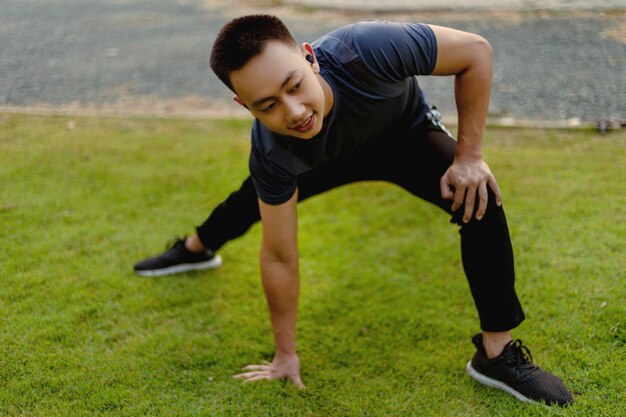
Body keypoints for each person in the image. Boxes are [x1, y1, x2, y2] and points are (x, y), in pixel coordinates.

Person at [134, 15, 573, 406]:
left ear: (310, 58)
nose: (295, 111)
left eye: (294, 85)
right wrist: (285, 354)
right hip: (318, 160)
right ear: (244, 106)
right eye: (267, 105)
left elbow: (475, 52)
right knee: (250, 201)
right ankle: (196, 248)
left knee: (480, 198)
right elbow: (280, 257)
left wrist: (469, 157)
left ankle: (496, 353)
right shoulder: (273, 151)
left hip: (403, 135)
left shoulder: (367, 49)